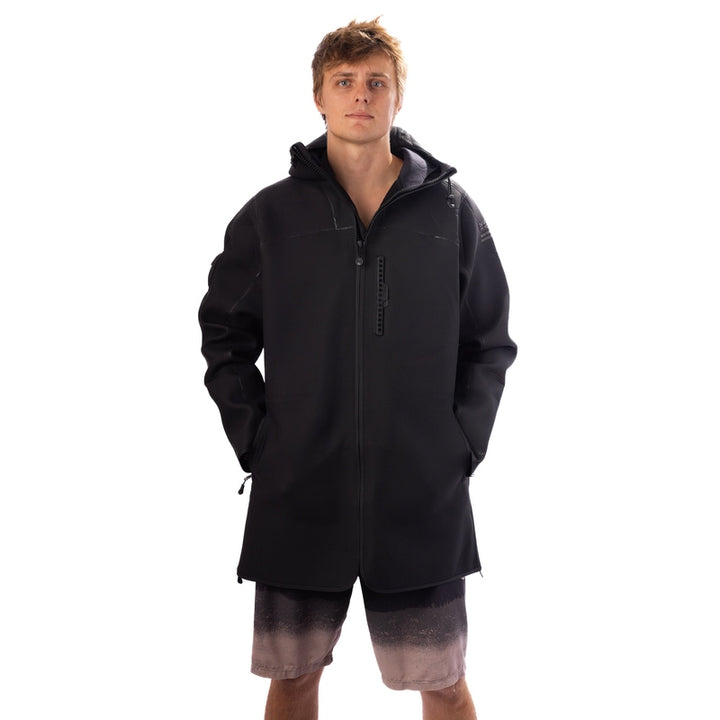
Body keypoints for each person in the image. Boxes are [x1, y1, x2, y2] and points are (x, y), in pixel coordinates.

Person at [198, 18, 517, 720]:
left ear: (399, 96)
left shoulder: (451, 214)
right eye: (344, 82)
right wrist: (260, 444)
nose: (361, 95)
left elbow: (489, 340)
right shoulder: (271, 217)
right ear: (319, 97)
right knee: (293, 678)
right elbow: (224, 334)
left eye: (376, 82)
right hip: (300, 494)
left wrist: (460, 444)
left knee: (443, 682)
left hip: (419, 499)